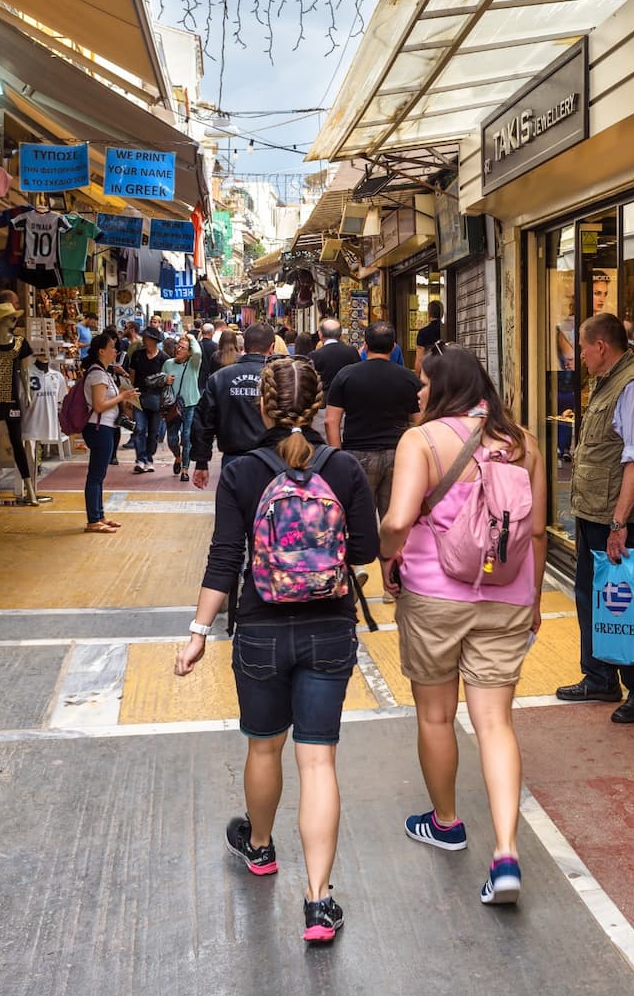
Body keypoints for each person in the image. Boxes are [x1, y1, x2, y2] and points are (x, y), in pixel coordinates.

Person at [174, 357, 379, 946]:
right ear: (316, 407)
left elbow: (224, 557)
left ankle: (260, 847)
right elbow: (364, 550)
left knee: (264, 746)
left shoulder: (241, 472)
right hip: (329, 629)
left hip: (260, 629)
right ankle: (318, 902)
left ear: (262, 406)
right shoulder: (342, 467)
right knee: (318, 762)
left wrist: (198, 632)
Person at [378, 348, 546, 907]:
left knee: (435, 714)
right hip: (508, 595)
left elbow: (398, 519)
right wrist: (534, 600)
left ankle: (446, 823)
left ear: (444, 387)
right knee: (495, 723)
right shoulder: (524, 444)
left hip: (433, 595)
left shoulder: (421, 440)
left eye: (424, 382)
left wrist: (384, 553)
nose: (418, 392)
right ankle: (506, 854)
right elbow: (537, 532)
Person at [554, 312, 634, 723]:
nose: (580, 356)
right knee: (591, 596)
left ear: (601, 346)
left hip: (611, 516)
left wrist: (619, 524)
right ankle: (600, 677)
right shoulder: (607, 381)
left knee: (621, 601)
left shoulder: (632, 386)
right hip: (593, 510)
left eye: (583, 348)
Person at [325, 321, 421, 517]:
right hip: (398, 454)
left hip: (357, 454)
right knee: (394, 518)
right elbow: (421, 421)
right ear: (393, 347)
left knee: (359, 519)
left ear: (365, 345)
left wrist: (338, 457)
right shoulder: (409, 378)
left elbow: (331, 421)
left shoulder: (346, 375)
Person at [189, 323, 274, 490]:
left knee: (234, 503)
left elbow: (204, 422)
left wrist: (201, 462)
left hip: (233, 459)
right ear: (271, 347)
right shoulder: (279, 378)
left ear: (245, 346)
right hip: (271, 460)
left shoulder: (220, 378)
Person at [80, 331, 137, 533]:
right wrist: (122, 397)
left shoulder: (103, 373)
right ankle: (93, 520)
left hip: (105, 427)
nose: (115, 351)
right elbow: (99, 406)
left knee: (99, 474)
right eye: (112, 347)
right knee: (96, 475)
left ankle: (99, 515)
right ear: (101, 351)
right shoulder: (97, 374)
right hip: (99, 427)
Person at [127, 326, 172, 473]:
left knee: (153, 432)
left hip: (157, 399)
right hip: (139, 397)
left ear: (154, 340)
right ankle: (140, 459)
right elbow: (132, 376)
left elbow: (167, 379)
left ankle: (149, 458)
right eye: (144, 338)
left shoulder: (164, 358)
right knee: (139, 429)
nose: (144, 341)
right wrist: (130, 395)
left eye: (147, 338)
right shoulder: (137, 355)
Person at [166, 333, 205, 481]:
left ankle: (185, 469)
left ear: (189, 352)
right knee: (172, 438)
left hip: (190, 404)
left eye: (183, 348)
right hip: (172, 406)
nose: (179, 349)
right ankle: (178, 457)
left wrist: (191, 337)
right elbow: (160, 382)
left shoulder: (193, 363)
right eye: (178, 346)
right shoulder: (168, 363)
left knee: (187, 436)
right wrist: (165, 380)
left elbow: (198, 352)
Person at [308, 318, 362, 385]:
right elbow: (359, 374)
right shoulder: (352, 352)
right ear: (340, 335)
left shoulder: (314, 355)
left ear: (320, 334)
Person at [415, 299, 445, 370]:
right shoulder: (447, 330)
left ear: (429, 314)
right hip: (446, 370)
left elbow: (419, 359)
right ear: (442, 314)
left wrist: (417, 374)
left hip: (429, 370)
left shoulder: (423, 332)